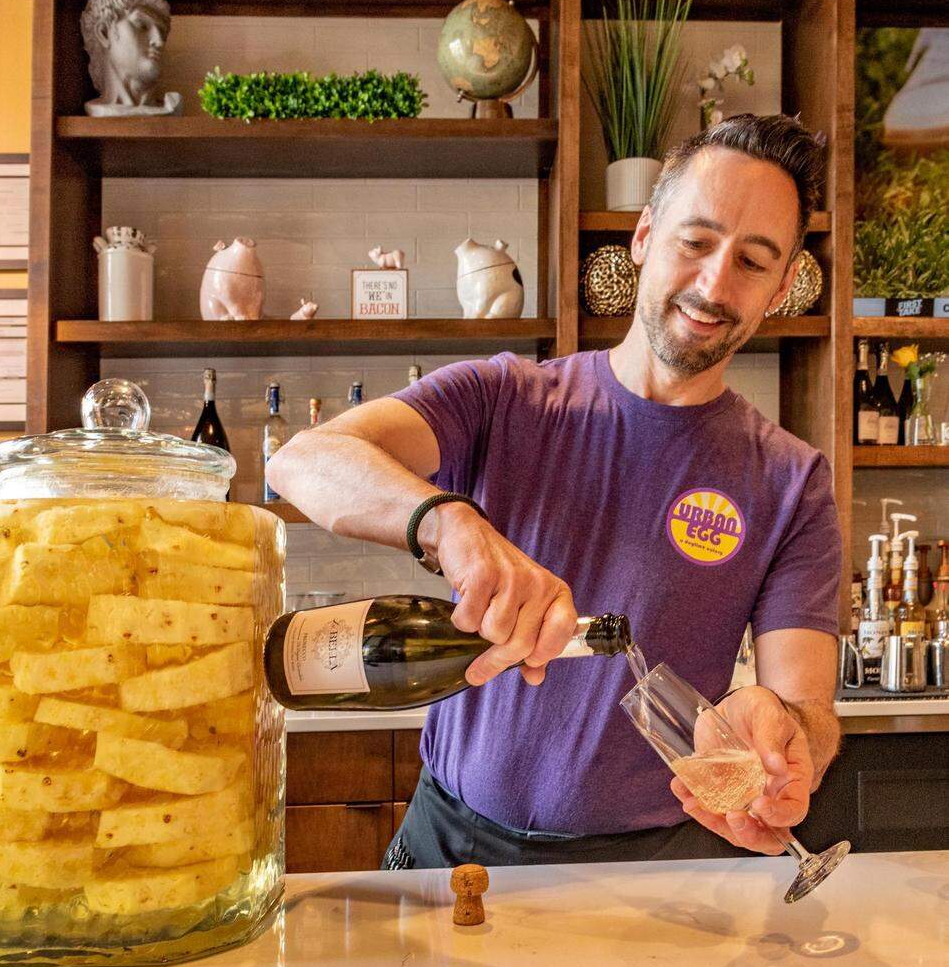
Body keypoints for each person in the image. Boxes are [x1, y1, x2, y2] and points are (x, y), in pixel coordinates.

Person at [266, 114, 842, 868]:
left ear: (780, 288)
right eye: (695, 242)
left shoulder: (790, 479)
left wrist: (785, 733)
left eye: (753, 261)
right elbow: (304, 461)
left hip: (659, 868)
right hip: (452, 846)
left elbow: (811, 711)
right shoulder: (506, 396)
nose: (714, 283)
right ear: (642, 238)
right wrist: (452, 525)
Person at [80, 0, 182, 117]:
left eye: (161, 33)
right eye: (142, 25)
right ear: (105, 33)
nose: (159, 41)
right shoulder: (97, 109)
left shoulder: (171, 105)